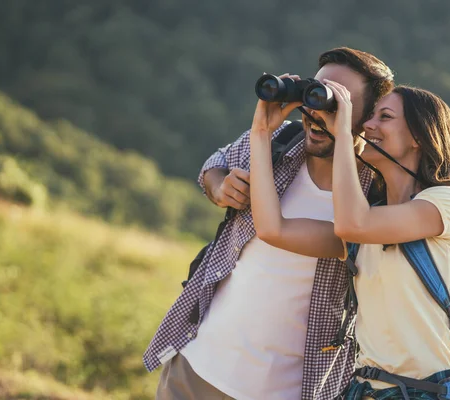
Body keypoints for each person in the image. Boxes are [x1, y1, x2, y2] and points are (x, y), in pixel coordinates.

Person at [143, 47, 394, 400]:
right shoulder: (281, 140)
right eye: (315, 93)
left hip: (286, 390)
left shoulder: (374, 197)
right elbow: (215, 164)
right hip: (197, 366)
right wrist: (219, 186)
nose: (317, 112)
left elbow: (274, 230)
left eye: (336, 103)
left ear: (365, 119)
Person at [249, 82, 450, 399]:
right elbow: (273, 229)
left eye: (384, 117)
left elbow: (353, 223)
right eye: (369, 118)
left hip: (427, 392)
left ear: (418, 137)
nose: (367, 125)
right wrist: (261, 132)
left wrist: (344, 134)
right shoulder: (366, 227)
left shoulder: (447, 203)